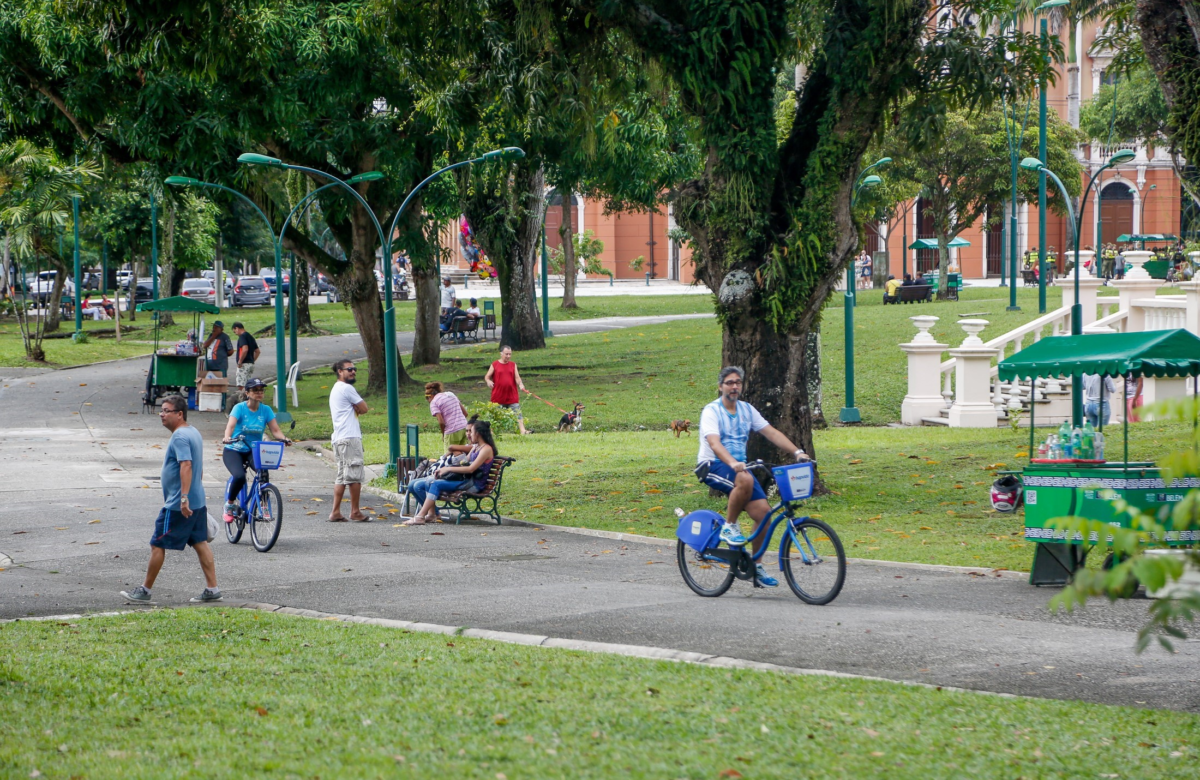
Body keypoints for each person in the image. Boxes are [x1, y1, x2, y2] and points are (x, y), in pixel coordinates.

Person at [695, 366, 808, 588]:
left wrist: (797, 452)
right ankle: (729, 525)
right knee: (745, 478)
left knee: (764, 514)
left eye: (738, 382)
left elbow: (771, 432)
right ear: (720, 387)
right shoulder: (712, 411)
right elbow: (714, 443)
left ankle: (755, 565)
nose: (734, 386)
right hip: (713, 465)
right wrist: (732, 463)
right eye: (729, 382)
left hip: (739, 469)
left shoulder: (747, 410)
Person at [120, 394, 221, 604]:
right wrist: (194, 493)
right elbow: (197, 467)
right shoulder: (193, 432)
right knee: (200, 542)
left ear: (179, 414)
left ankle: (145, 591)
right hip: (196, 500)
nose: (162, 414)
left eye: (167, 411)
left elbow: (187, 465)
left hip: (178, 505)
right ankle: (213, 589)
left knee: (158, 543)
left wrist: (184, 498)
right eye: (162, 410)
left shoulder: (180, 437)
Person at [220, 378, 292, 523]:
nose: (259, 393)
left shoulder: (266, 410)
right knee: (239, 476)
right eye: (255, 390)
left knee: (263, 472)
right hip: (234, 449)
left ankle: (264, 505)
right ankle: (230, 503)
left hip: (253, 450)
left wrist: (284, 438)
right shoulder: (239, 408)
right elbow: (231, 426)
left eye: (261, 390)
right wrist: (227, 437)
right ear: (247, 393)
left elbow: (275, 430)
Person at [404, 416, 496, 525]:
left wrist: (447, 469)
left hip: (473, 483)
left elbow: (471, 469)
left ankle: (420, 516)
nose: (469, 435)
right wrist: (448, 461)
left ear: (478, 433)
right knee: (421, 483)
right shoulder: (476, 447)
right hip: (464, 478)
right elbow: (465, 462)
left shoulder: (486, 449)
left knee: (434, 483)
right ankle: (432, 514)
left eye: (471, 431)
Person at [329, 358, 369, 522]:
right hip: (349, 437)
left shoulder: (336, 388)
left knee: (342, 476)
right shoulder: (346, 388)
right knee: (354, 475)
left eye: (354, 369)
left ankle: (335, 512)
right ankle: (355, 511)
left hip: (339, 438)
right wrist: (357, 407)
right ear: (340, 371)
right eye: (349, 369)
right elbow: (364, 408)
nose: (353, 371)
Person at [485, 345, 528, 435]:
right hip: (498, 396)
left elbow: (517, 378)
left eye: (510, 354)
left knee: (517, 413)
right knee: (495, 415)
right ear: (501, 354)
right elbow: (487, 376)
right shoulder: (495, 364)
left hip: (512, 396)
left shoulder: (513, 365)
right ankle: (492, 432)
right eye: (506, 354)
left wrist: (520, 384)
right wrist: (488, 381)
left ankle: (523, 430)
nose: (508, 356)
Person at [426, 381, 470, 451]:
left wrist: (443, 435)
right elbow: (465, 413)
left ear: (430, 396)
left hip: (451, 431)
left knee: (449, 457)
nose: (427, 400)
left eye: (427, 397)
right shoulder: (450, 394)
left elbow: (441, 422)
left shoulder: (434, 402)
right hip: (464, 428)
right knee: (463, 456)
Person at [231, 322, 261, 394]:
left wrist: (240, 361)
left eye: (235, 331)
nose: (236, 334)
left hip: (244, 364)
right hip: (250, 364)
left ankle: (244, 400)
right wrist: (252, 360)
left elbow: (245, 349)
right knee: (248, 384)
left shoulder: (242, 336)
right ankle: (249, 399)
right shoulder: (250, 337)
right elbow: (257, 351)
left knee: (241, 385)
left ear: (237, 328)